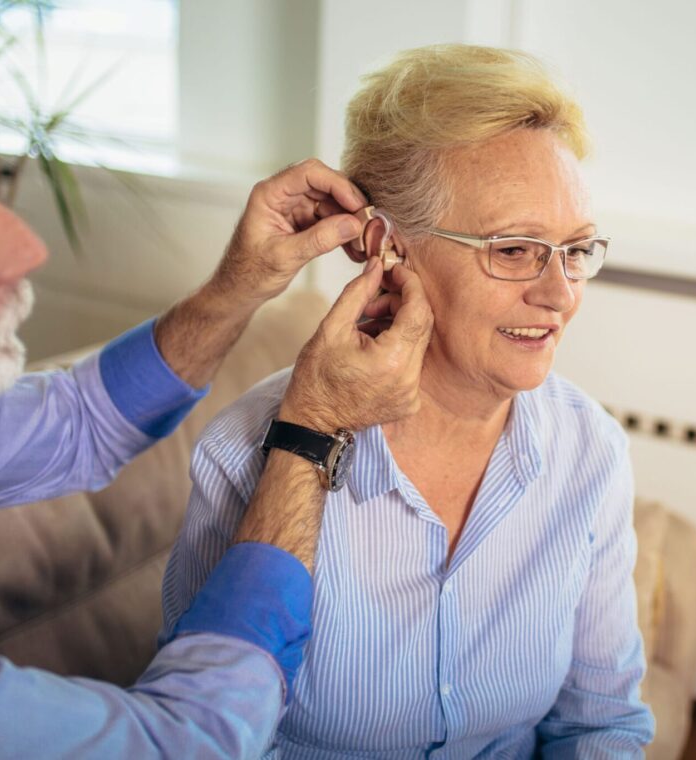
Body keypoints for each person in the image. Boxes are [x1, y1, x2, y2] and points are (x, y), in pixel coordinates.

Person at [162, 44, 655, 757]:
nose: (560, 295)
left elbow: (601, 724)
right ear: (388, 248)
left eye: (575, 250)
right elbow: (212, 741)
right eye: (514, 249)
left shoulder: (592, 452)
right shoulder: (243, 458)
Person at [0, 90, 432, 758]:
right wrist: (313, 427)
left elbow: (82, 418)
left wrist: (238, 284)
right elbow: (186, 745)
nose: (28, 249)